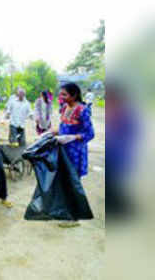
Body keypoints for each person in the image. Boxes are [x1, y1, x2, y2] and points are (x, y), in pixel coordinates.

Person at [52, 83, 95, 226]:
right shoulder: (64, 108)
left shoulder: (83, 110)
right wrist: (50, 133)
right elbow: (63, 127)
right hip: (63, 150)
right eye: (60, 94)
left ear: (74, 95)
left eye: (64, 94)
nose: (60, 97)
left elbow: (90, 133)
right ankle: (66, 211)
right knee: (64, 181)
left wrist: (73, 137)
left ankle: (74, 217)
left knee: (74, 183)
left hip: (75, 153)